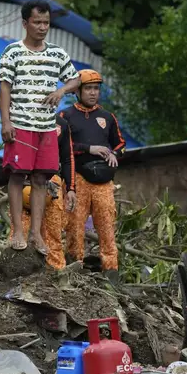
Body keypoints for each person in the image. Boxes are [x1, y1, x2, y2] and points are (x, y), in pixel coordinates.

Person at [0, 0, 80, 255]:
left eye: (46, 22)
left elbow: (76, 79)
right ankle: (18, 232)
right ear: (25, 23)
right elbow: (4, 88)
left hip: (46, 127)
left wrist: (61, 90)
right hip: (20, 124)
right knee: (16, 176)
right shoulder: (12, 51)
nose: (43, 27)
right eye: (37, 22)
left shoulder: (57, 53)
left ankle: (35, 233)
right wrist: (5, 122)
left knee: (41, 178)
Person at [59, 69, 126, 284]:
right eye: (88, 88)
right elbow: (62, 147)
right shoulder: (66, 116)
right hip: (77, 178)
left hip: (103, 182)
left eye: (96, 88)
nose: (93, 93)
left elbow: (120, 144)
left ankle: (111, 274)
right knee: (75, 226)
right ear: (77, 91)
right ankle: (75, 272)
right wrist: (89, 148)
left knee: (107, 225)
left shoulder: (107, 117)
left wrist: (114, 154)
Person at [10, 114, 77, 269]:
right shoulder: (21, 119)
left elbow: (67, 158)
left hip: (50, 183)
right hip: (24, 182)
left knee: (53, 231)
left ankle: (55, 270)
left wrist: (71, 188)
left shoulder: (61, 124)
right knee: (20, 227)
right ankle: (19, 271)